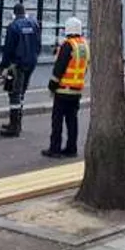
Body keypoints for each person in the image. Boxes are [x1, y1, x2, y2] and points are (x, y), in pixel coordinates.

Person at [43, 17, 88, 158]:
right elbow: (85, 68)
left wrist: (52, 86)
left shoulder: (68, 45)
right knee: (72, 121)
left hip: (63, 89)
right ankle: (71, 148)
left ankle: (55, 148)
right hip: (76, 90)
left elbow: (59, 68)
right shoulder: (84, 45)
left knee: (57, 121)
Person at [0, 3, 41, 137]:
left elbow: (8, 49)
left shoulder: (13, 26)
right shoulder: (34, 24)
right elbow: (38, 45)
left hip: (17, 64)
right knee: (22, 92)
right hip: (31, 62)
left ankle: (14, 126)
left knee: (14, 93)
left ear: (14, 13)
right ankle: (17, 122)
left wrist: (3, 67)